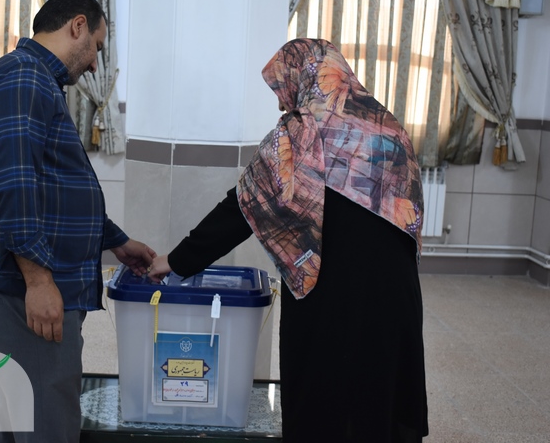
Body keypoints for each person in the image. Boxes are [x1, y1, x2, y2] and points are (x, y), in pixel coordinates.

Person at [148, 38, 429, 442]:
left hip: (329, 293)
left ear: (304, 77)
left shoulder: (300, 134)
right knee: (378, 396)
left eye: (282, 87)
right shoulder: (389, 127)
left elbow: (241, 208)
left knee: (324, 398)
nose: (282, 102)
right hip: (395, 296)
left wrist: (175, 261)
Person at [0, 0, 155, 443]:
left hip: (24, 283)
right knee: (48, 419)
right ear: (77, 26)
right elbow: (15, 184)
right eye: (97, 48)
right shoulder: (23, 77)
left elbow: (55, 187)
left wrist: (115, 240)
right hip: (20, 288)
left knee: (17, 412)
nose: (93, 64)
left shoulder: (36, 80)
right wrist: (37, 281)